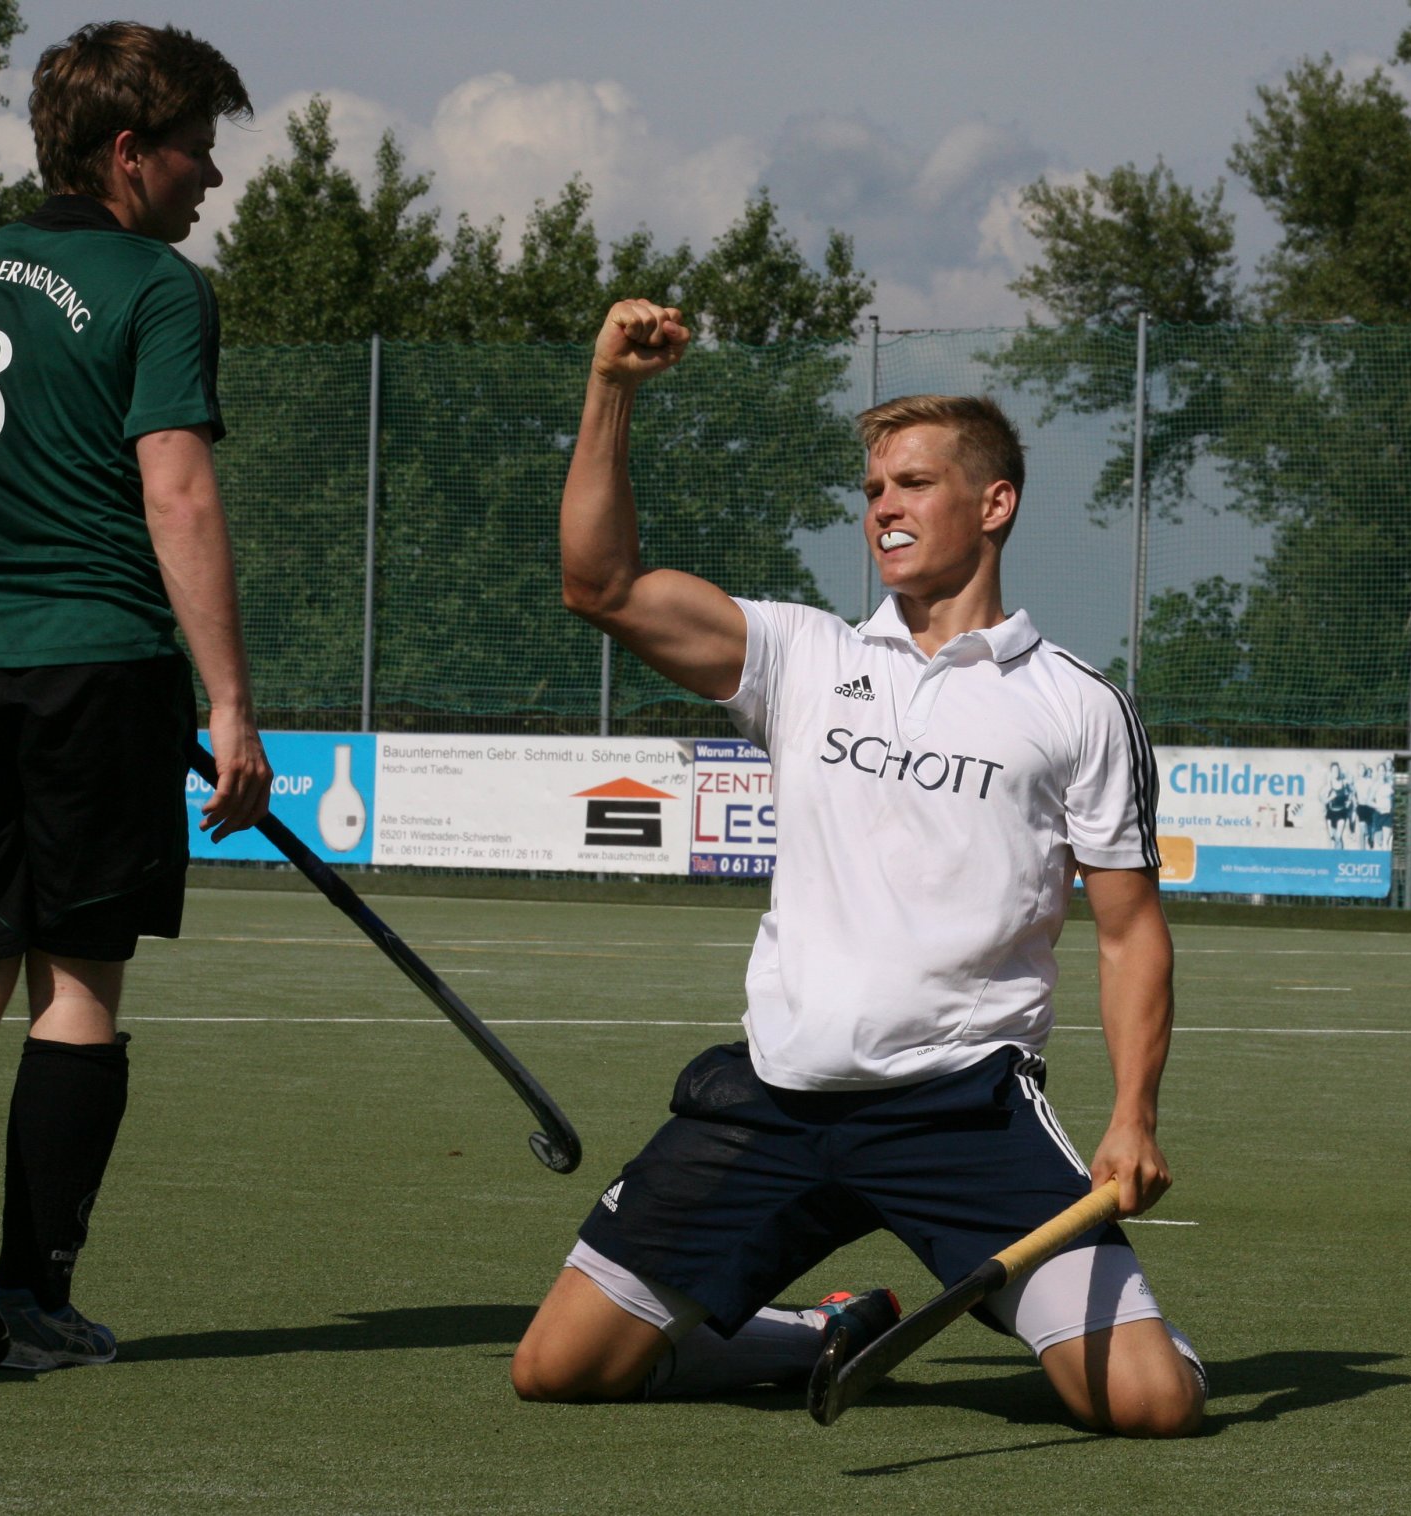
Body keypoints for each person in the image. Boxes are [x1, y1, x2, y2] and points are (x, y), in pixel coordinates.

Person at [510, 300, 1206, 1434]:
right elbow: (603, 584)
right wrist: (611, 389)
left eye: (915, 483)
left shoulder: (1078, 705)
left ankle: (1137, 1337)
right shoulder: (802, 653)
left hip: (960, 1112)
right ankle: (821, 1330)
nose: (884, 505)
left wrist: (1133, 1116)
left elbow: (1130, 933)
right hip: (773, 1105)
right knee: (559, 1366)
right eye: (875, 486)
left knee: (1149, 1404)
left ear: (994, 504)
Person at [0, 21, 272, 1374]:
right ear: (129, 153)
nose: (212, 177)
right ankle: (36, 1294)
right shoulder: (155, 285)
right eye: (198, 149)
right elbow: (177, 492)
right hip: (93, 654)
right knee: (77, 981)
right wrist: (227, 702)